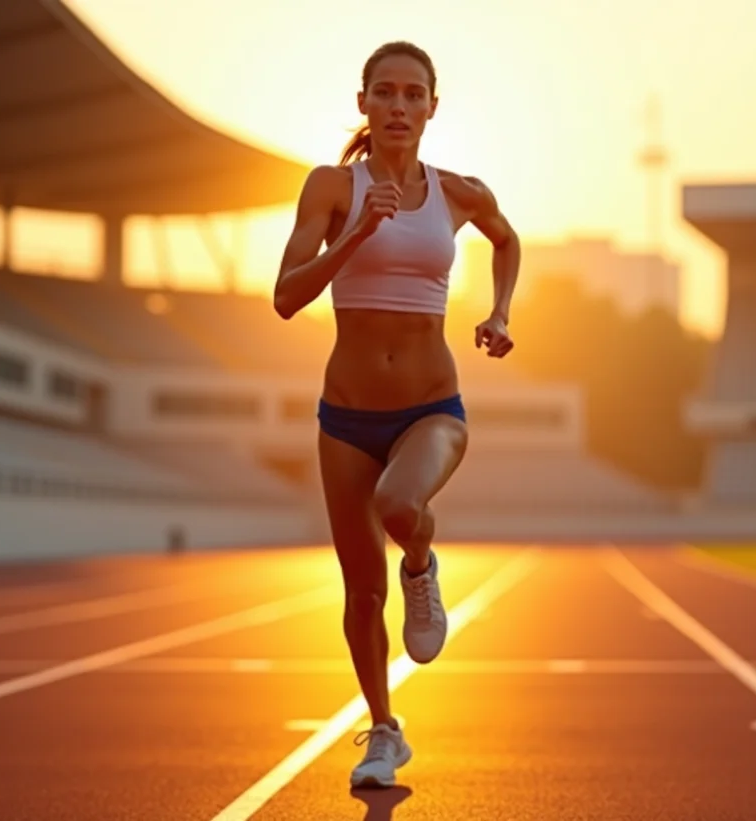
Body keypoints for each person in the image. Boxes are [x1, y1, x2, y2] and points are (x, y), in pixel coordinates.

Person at [272, 40, 520, 789]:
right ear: (364, 104)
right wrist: (356, 233)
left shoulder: (460, 192)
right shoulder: (331, 187)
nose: (399, 107)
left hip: (430, 408)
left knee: (401, 505)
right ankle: (384, 729)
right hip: (346, 419)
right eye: (385, 93)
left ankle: (420, 564)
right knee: (360, 592)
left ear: (432, 108)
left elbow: (507, 240)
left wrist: (500, 312)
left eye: (414, 95)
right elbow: (285, 296)